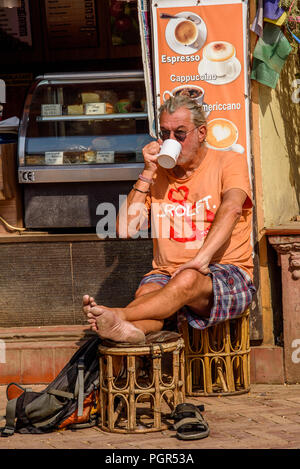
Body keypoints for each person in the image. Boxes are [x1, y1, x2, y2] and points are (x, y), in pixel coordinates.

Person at [82, 95, 256, 343]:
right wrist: (148, 171)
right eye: (165, 134)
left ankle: (118, 314)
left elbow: (232, 209)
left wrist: (198, 261)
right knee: (148, 292)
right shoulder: (157, 174)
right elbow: (124, 230)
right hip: (167, 274)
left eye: (180, 134)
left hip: (225, 273)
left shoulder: (229, 161)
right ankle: (129, 330)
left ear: (202, 132)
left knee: (186, 279)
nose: (171, 141)